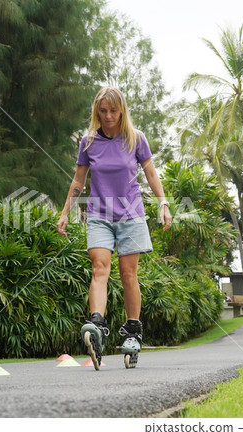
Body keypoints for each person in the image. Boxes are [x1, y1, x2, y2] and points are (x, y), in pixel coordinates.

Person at [56, 87, 172, 369]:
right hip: (98, 215)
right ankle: (96, 326)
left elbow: (150, 172)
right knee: (99, 268)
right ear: (97, 111)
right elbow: (78, 181)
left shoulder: (135, 139)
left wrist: (163, 204)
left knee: (128, 273)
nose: (108, 116)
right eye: (103, 111)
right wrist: (64, 212)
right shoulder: (88, 142)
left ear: (122, 111)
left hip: (131, 214)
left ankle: (133, 332)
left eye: (113, 111)